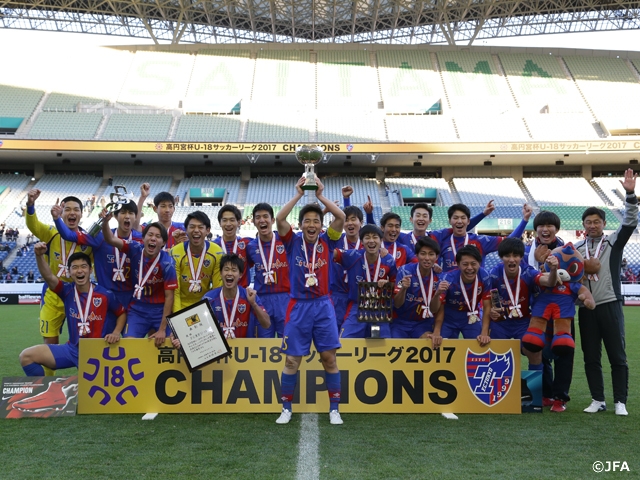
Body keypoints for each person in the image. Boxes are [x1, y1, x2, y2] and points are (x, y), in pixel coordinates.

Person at [275, 176, 345, 425]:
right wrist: (299, 194)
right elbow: (279, 219)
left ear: (321, 225)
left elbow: (341, 218)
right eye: (307, 221)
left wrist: (319, 196)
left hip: (323, 306)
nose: (312, 225)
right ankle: (286, 408)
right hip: (298, 307)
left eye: (316, 221)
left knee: (329, 359)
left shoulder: (328, 240)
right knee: (292, 360)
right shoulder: (292, 241)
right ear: (301, 224)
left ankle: (334, 409)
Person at [576, 168, 637, 416]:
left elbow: (631, 221)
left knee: (617, 355)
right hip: (586, 308)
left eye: (597, 222)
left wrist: (630, 194)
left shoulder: (613, 241)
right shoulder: (576, 248)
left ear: (604, 224)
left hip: (610, 303)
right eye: (588, 222)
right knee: (590, 356)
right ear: (583, 225)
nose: (592, 225)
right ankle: (598, 399)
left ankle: (619, 401)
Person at [19, 244, 125, 377]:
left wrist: (116, 332)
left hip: (99, 352)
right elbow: (49, 277)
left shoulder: (105, 295)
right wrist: (39, 256)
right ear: (69, 272)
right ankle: (45, 394)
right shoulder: (67, 291)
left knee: (91, 393)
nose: (79, 271)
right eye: (75, 267)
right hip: (73, 350)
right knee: (26, 356)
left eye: (83, 266)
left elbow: (121, 313)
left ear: (90, 270)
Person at [25, 189, 92, 375]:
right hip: (53, 294)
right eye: (68, 209)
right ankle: (49, 383)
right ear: (61, 212)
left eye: (76, 209)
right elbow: (33, 226)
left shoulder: (87, 240)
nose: (72, 213)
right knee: (50, 342)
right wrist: (31, 205)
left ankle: (87, 383)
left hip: (77, 297)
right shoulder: (52, 233)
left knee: (82, 342)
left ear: (81, 213)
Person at [102, 214, 177, 346]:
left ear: (164, 242)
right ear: (143, 238)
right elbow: (111, 240)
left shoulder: (167, 264)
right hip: (137, 310)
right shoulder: (135, 248)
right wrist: (105, 222)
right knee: (129, 346)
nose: (153, 238)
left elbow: (169, 297)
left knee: (164, 346)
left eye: (158, 236)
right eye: (150, 235)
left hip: (160, 311)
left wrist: (162, 329)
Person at [523, 210, 571, 410]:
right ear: (535, 230)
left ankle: (560, 397)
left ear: (556, 229)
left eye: (549, 226)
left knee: (564, 351)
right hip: (537, 310)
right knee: (539, 352)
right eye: (541, 226)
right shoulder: (526, 251)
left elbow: (574, 276)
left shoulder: (567, 251)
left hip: (562, 310)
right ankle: (545, 393)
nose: (545, 229)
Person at [489, 238, 559, 375]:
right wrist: (491, 309)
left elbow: (549, 282)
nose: (511, 259)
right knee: (496, 357)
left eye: (515, 255)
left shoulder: (528, 272)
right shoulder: (493, 274)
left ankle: (534, 393)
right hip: (500, 323)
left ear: (521, 257)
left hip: (523, 322)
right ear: (501, 257)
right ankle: (500, 392)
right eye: (507, 256)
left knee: (535, 351)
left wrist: (554, 270)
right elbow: (484, 298)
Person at [54, 199, 142, 309]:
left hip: (132, 298)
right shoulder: (100, 237)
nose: (127, 216)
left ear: (135, 216)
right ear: (115, 215)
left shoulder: (141, 240)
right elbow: (69, 236)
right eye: (123, 212)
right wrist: (57, 218)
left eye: (131, 213)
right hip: (105, 297)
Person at [430, 203, 532, 273]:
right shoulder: (443, 241)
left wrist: (525, 219)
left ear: (468, 221)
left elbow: (510, 241)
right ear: (450, 221)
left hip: (476, 294)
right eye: (455, 218)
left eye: (463, 218)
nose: (459, 221)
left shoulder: (480, 241)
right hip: (451, 295)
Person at [334, 224, 397, 338]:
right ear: (361, 241)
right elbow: (331, 252)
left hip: (379, 309)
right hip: (357, 308)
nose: (371, 241)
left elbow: (395, 284)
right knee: (345, 340)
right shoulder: (353, 256)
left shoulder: (388, 260)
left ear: (381, 240)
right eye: (367, 237)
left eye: (375, 237)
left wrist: (388, 284)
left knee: (381, 343)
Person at [430, 245, 492, 348]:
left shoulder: (485, 276)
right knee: (439, 347)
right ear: (458, 264)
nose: (470, 268)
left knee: (480, 345)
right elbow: (436, 308)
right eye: (465, 264)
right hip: (448, 318)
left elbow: (487, 306)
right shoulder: (447, 279)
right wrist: (437, 331)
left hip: (471, 317)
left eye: (473, 264)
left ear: (479, 263)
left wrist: (484, 332)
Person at [246, 203, 291, 337]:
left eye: (266, 216)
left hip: (285, 298)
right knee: (264, 341)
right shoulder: (251, 247)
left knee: (287, 340)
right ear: (253, 222)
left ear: (272, 220)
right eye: (258, 217)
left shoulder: (285, 241)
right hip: (262, 299)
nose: (262, 220)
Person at [202, 254, 270, 338]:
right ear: (220, 273)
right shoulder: (209, 298)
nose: (230, 273)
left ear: (240, 275)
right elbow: (199, 327)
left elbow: (267, 324)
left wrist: (254, 304)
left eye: (234, 270)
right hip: (219, 349)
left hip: (245, 349)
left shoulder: (249, 296)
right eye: (226, 269)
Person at [170, 210, 223, 312]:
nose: (196, 230)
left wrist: (211, 312)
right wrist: (177, 315)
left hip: (205, 304)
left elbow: (217, 289)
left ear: (208, 230)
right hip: (181, 304)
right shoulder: (175, 253)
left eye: (201, 227)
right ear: (186, 229)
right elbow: (175, 290)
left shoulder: (217, 252)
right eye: (192, 226)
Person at [392, 237, 441, 338]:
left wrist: (438, 294)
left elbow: (435, 310)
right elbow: (397, 304)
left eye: (431, 254)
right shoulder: (405, 271)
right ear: (417, 256)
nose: (427, 258)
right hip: (400, 322)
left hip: (423, 323)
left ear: (436, 257)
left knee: (428, 343)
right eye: (423, 253)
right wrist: (403, 289)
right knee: (395, 348)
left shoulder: (439, 276)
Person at [397, 201, 494, 248]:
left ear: (430, 220)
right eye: (418, 215)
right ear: (411, 219)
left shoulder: (436, 236)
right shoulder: (402, 237)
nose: (421, 219)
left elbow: (462, 226)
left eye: (424, 216)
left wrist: (483, 214)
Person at [214, 205, 253, 288]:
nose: (228, 224)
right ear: (220, 223)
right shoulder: (213, 246)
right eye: (224, 220)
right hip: (220, 294)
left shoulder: (247, 244)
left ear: (239, 223)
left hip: (242, 295)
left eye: (232, 220)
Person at [135, 183, 183, 250]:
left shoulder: (182, 228)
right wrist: (142, 197)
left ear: (174, 209)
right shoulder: (149, 228)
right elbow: (135, 226)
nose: (167, 210)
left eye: (170, 206)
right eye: (163, 206)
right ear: (155, 209)